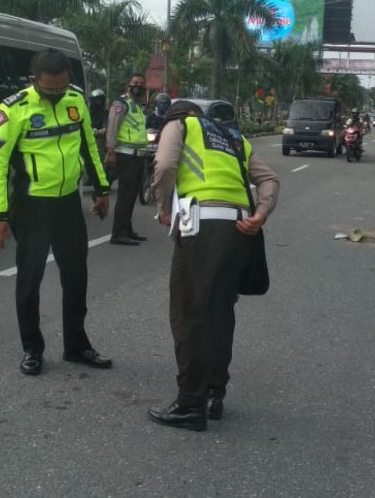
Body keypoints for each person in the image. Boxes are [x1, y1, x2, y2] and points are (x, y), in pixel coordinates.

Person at [149, 101, 280, 431]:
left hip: (201, 228)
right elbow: (269, 180)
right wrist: (260, 214)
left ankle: (190, 404)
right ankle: (213, 394)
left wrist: (164, 208)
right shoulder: (235, 139)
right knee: (220, 312)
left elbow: (164, 166)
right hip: (239, 229)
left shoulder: (180, 127)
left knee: (189, 314)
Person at [0, 49, 112, 376]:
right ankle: (32, 349)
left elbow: (87, 146)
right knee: (30, 282)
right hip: (32, 207)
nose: (57, 95)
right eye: (49, 90)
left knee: (76, 278)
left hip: (68, 203)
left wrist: (101, 189)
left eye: (62, 88)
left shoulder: (76, 101)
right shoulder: (13, 110)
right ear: (34, 81)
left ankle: (77, 345)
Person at [105, 73, 148, 245]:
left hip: (137, 156)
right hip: (124, 155)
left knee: (131, 196)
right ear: (128, 85)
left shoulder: (138, 106)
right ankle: (118, 233)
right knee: (124, 196)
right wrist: (111, 151)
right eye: (135, 83)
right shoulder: (120, 105)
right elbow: (112, 129)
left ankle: (127, 229)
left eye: (141, 84)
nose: (138, 86)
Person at [87, 88, 116, 186]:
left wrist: (95, 132)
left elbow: (104, 130)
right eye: (96, 100)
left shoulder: (105, 114)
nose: (97, 103)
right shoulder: (86, 113)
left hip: (101, 140)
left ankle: (103, 175)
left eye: (100, 100)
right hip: (87, 138)